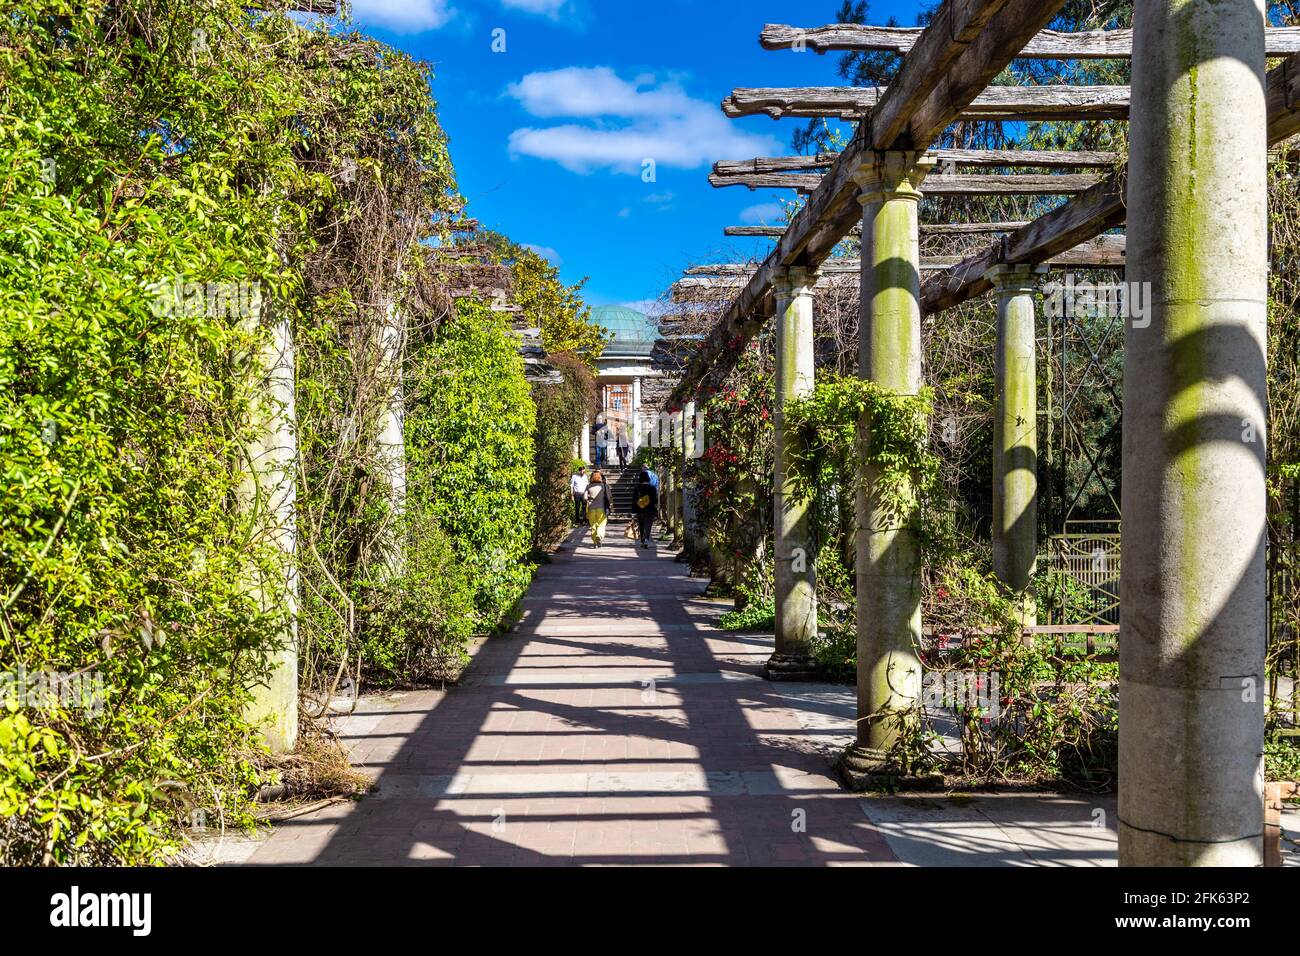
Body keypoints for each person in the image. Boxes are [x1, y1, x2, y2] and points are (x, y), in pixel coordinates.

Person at [584, 470, 612, 547]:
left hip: (591, 508)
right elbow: (609, 497)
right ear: (600, 477)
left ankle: (595, 542)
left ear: (592, 478)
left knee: (593, 526)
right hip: (601, 508)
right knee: (601, 524)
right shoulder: (604, 486)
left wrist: (590, 497)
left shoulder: (588, 486)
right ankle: (599, 536)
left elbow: (585, 498)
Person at [633, 466, 658, 549]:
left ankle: (642, 540)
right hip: (650, 509)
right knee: (648, 525)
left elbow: (634, 499)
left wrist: (634, 509)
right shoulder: (652, 488)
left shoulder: (637, 488)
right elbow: (655, 499)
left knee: (641, 524)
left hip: (640, 509)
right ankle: (646, 538)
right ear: (648, 478)